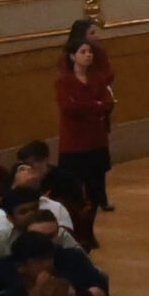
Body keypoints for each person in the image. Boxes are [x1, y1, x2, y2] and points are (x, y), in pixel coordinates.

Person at [52, 39, 113, 222]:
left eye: (90, 52)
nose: (88, 55)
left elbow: (108, 104)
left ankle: (90, 228)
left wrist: (88, 106)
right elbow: (69, 108)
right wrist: (96, 105)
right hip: (74, 143)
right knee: (73, 188)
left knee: (95, 186)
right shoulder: (64, 83)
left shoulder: (98, 79)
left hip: (96, 140)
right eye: (83, 52)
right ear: (72, 56)